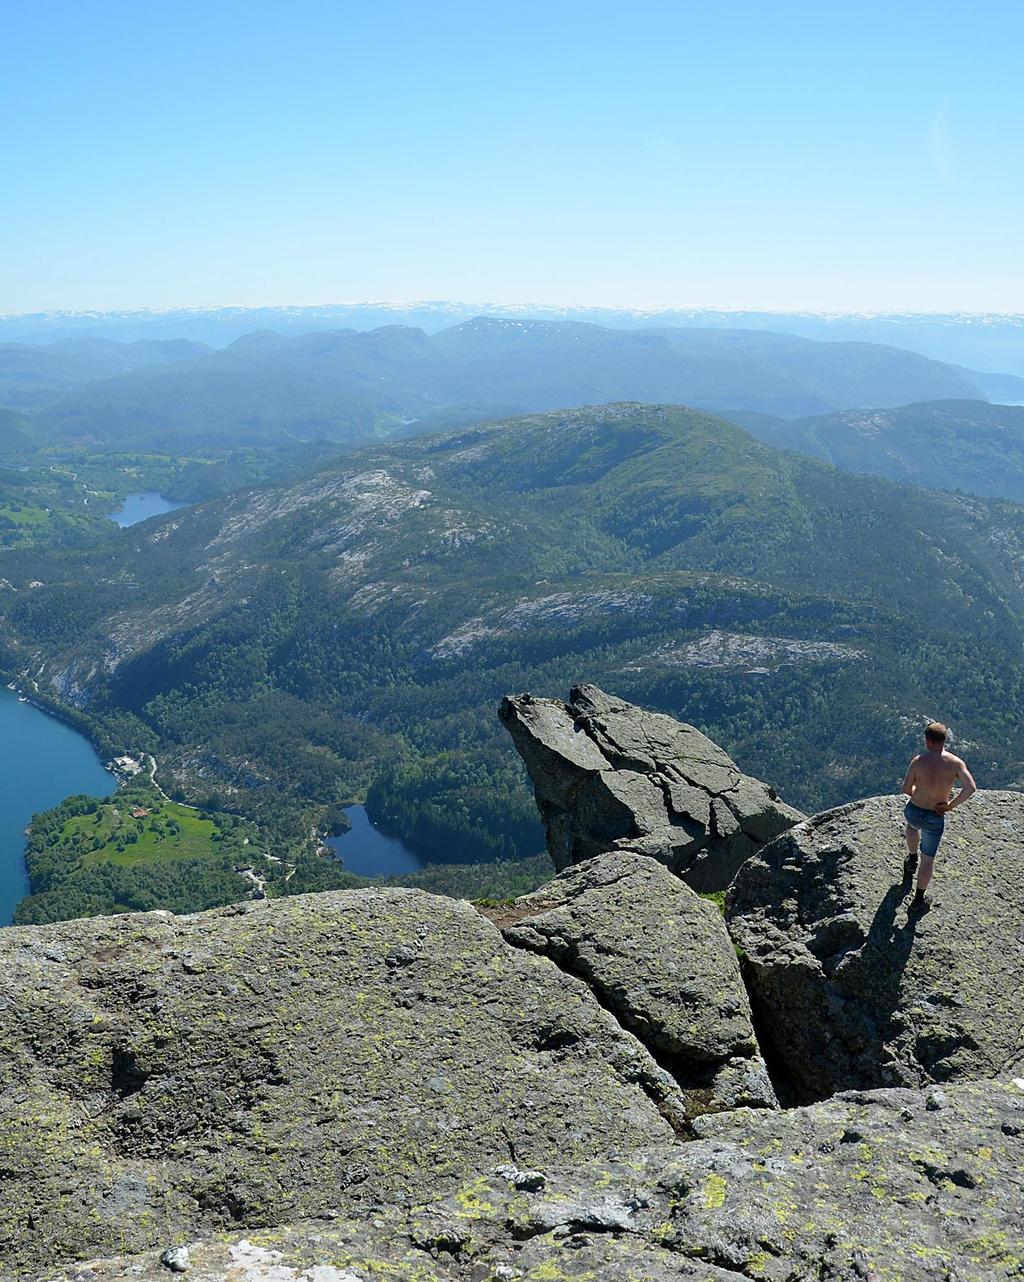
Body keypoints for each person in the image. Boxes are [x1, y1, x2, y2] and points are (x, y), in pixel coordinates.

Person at [901, 722, 977, 911]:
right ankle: (919, 899)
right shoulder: (955, 763)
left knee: (911, 827)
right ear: (944, 740)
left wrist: (918, 794)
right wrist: (949, 806)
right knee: (928, 859)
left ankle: (911, 859)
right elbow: (971, 788)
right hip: (935, 815)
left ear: (927, 741)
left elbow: (905, 789)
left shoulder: (918, 761)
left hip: (914, 808)